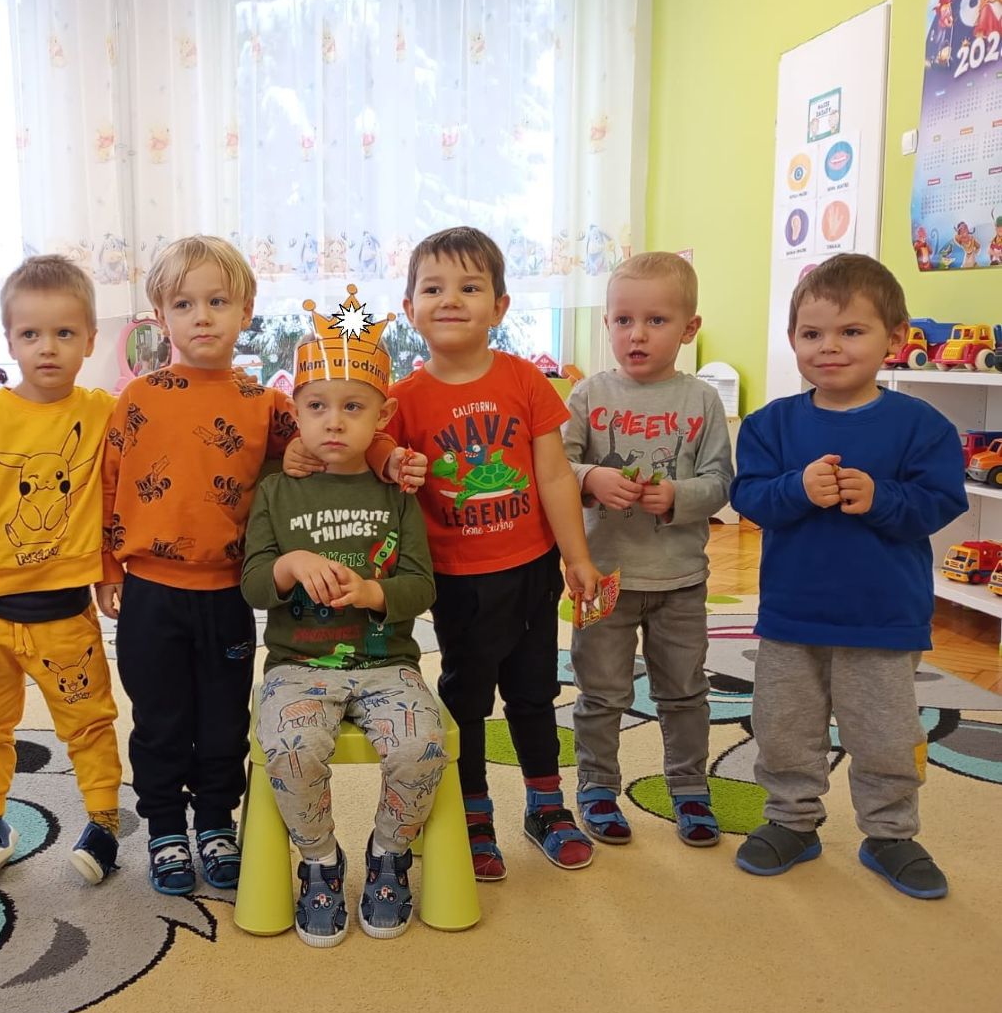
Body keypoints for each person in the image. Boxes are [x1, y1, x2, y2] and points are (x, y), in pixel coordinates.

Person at [96, 235, 422, 896]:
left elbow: (334, 423)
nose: (202, 317)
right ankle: (165, 829)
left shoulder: (264, 403)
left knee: (222, 721)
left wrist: (387, 455)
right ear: (160, 317)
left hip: (228, 593)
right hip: (150, 592)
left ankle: (216, 822)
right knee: (158, 720)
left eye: (218, 302)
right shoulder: (136, 399)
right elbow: (107, 483)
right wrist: (106, 566)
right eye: (184, 304)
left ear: (245, 311)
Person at [730, 253, 966, 899]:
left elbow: (941, 502)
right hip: (791, 618)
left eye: (851, 331)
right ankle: (790, 820)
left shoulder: (921, 425)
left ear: (894, 338)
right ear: (792, 340)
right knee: (783, 729)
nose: (828, 347)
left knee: (885, 735)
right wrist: (796, 487)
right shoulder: (770, 424)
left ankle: (890, 833)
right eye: (812, 333)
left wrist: (882, 498)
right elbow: (748, 498)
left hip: (882, 618)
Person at [386, 226, 602, 880]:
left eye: (470, 287)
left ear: (499, 307)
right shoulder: (401, 400)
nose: (451, 299)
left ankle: (546, 806)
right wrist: (389, 461)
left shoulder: (524, 380)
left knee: (535, 692)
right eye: (433, 288)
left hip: (531, 569)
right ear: (409, 309)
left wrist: (577, 557)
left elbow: (555, 475)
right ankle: (472, 814)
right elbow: (376, 471)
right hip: (455, 579)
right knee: (466, 697)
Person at [242, 289, 442, 946]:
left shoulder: (395, 493)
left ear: (382, 415)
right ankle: (320, 861)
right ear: (293, 412)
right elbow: (252, 585)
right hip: (298, 667)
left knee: (421, 746)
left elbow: (421, 586)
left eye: (352, 407)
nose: (333, 422)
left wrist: (374, 593)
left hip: (386, 665)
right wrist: (290, 563)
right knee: (288, 749)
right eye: (316, 407)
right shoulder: (275, 490)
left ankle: (389, 854)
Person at [0, 255, 123, 886]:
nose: (48, 348)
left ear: (90, 340)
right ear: (9, 341)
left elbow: (118, 492)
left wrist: (110, 568)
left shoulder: (104, 412)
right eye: (31, 334)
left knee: (89, 720)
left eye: (64, 333)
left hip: (66, 614)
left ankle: (104, 819)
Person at [562, 251, 734, 848]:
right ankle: (597, 786)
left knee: (684, 693)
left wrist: (679, 495)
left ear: (689, 328)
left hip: (680, 580)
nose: (637, 334)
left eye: (656, 321)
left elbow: (721, 481)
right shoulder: (588, 395)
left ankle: (689, 788)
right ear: (607, 323)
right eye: (623, 320)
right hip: (601, 578)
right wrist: (591, 477)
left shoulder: (701, 401)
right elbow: (554, 467)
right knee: (600, 692)